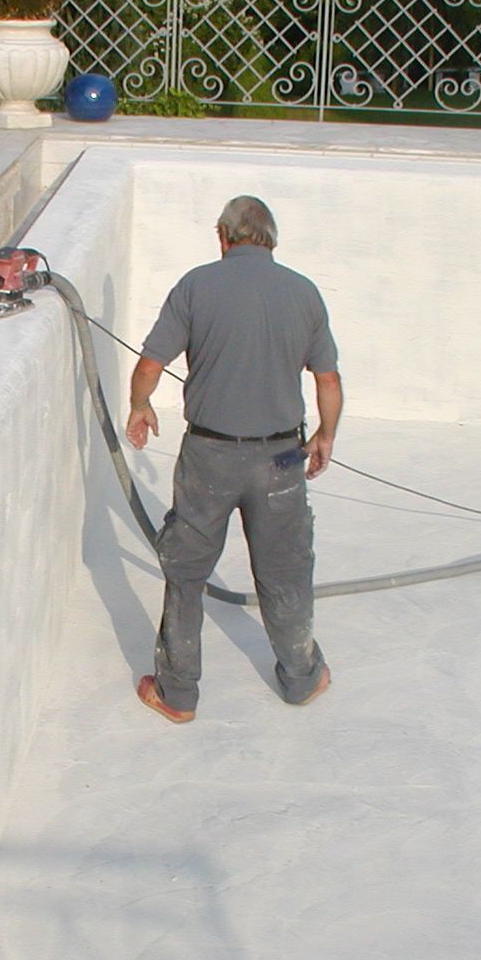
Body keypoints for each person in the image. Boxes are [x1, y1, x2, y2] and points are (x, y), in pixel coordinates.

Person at [125, 195, 342, 722]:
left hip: (210, 458)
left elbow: (152, 363)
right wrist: (325, 437)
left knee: (187, 571)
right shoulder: (303, 292)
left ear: (223, 235)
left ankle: (177, 694)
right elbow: (328, 379)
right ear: (270, 238)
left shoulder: (197, 285)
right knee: (285, 569)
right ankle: (301, 678)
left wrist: (139, 406)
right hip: (282, 460)